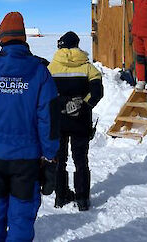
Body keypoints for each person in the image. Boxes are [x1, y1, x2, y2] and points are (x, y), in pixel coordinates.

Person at [0, 11, 60, 242]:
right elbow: (48, 120)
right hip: (27, 160)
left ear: (1, 38)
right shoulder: (40, 72)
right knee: (21, 219)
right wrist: (50, 159)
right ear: (23, 38)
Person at [47, 31, 104, 211]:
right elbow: (97, 93)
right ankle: (82, 200)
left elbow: (46, 96)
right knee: (81, 160)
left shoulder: (50, 68)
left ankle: (60, 196)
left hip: (58, 122)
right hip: (81, 122)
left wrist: (61, 105)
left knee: (59, 160)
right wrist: (83, 106)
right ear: (77, 45)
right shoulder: (88, 68)